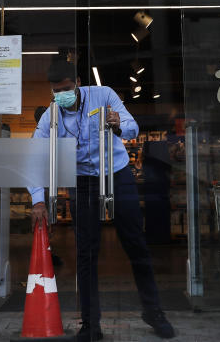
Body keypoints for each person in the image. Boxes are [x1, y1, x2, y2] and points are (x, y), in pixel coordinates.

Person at [29, 59, 175, 341]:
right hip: (82, 182)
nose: (63, 96)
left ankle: (154, 312)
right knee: (85, 253)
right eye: (57, 92)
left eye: (67, 89)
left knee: (136, 243)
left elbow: (133, 127)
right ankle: (90, 325)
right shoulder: (51, 116)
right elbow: (35, 158)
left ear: (79, 83)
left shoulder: (104, 95)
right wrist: (37, 199)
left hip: (116, 174)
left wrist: (119, 124)